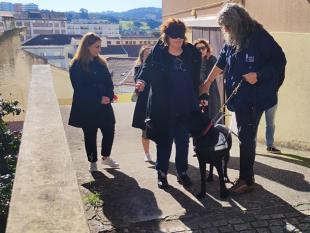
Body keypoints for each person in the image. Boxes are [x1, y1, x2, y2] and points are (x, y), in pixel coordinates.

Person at [200, 3, 286, 194]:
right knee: (245, 135)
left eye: (228, 26)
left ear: (237, 23)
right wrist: (206, 84)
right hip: (240, 98)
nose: (226, 30)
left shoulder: (259, 36)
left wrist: (259, 75)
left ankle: (246, 180)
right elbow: (221, 62)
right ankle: (249, 176)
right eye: (224, 27)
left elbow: (279, 60)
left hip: (256, 97)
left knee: (246, 137)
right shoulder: (233, 38)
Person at [135, 18, 201, 189]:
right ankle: (162, 174)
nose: (178, 41)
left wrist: (201, 95)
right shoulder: (158, 54)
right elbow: (145, 71)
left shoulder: (191, 53)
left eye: (181, 38)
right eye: (174, 38)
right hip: (163, 107)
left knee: (182, 141)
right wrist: (141, 81)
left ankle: (182, 172)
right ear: (167, 37)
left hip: (185, 106)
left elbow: (196, 78)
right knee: (164, 142)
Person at [68, 32, 119, 172]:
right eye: (97, 46)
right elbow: (80, 89)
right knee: (90, 135)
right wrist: (99, 98)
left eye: (100, 46)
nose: (99, 50)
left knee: (109, 130)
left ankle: (105, 157)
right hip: (88, 107)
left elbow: (109, 82)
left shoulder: (101, 63)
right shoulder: (76, 65)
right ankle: (92, 162)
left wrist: (109, 95)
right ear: (87, 46)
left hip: (105, 105)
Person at [132, 46, 153, 162]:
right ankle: (147, 153)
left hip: (156, 100)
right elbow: (137, 80)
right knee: (145, 130)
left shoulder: (156, 67)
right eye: (146, 53)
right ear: (141, 55)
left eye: (150, 52)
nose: (149, 54)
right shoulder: (138, 67)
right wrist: (145, 64)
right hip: (144, 102)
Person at [193, 39, 221, 120]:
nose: (201, 50)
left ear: (207, 49)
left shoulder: (212, 59)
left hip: (210, 92)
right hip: (197, 92)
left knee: (212, 116)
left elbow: (221, 70)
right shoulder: (192, 60)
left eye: (203, 48)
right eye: (198, 49)